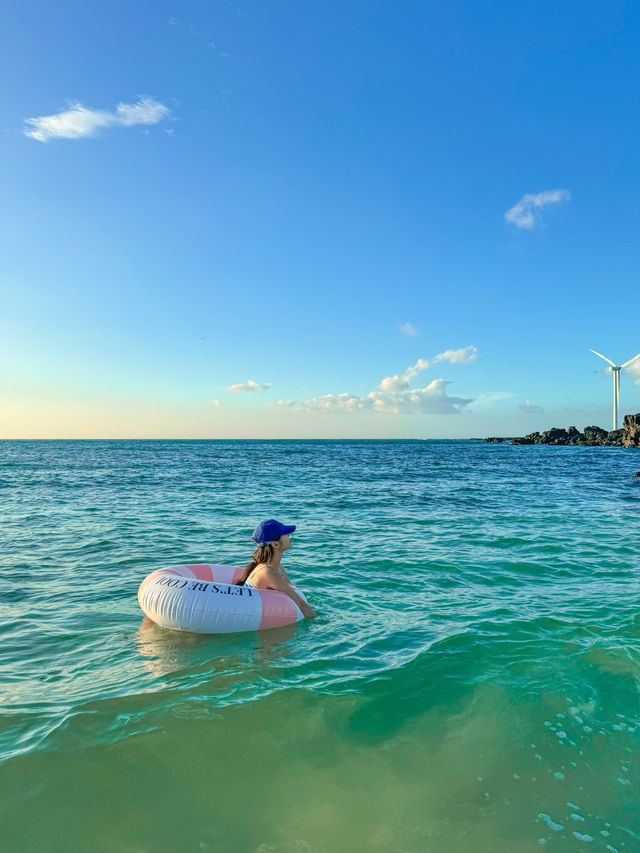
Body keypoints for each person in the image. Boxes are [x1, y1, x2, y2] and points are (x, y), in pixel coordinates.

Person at [237, 519, 316, 619]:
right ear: (275, 544)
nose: (289, 535)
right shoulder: (267, 572)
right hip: (247, 615)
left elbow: (289, 586)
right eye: (285, 534)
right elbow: (302, 606)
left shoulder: (276, 566)